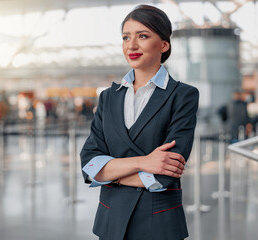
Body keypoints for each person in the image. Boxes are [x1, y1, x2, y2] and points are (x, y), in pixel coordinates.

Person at [80, 5, 199, 240]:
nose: (131, 45)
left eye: (142, 36)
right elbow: (89, 164)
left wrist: (110, 173)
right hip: (111, 222)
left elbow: (166, 172)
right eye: (126, 37)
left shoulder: (182, 95)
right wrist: (145, 161)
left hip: (158, 223)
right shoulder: (108, 97)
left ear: (164, 45)